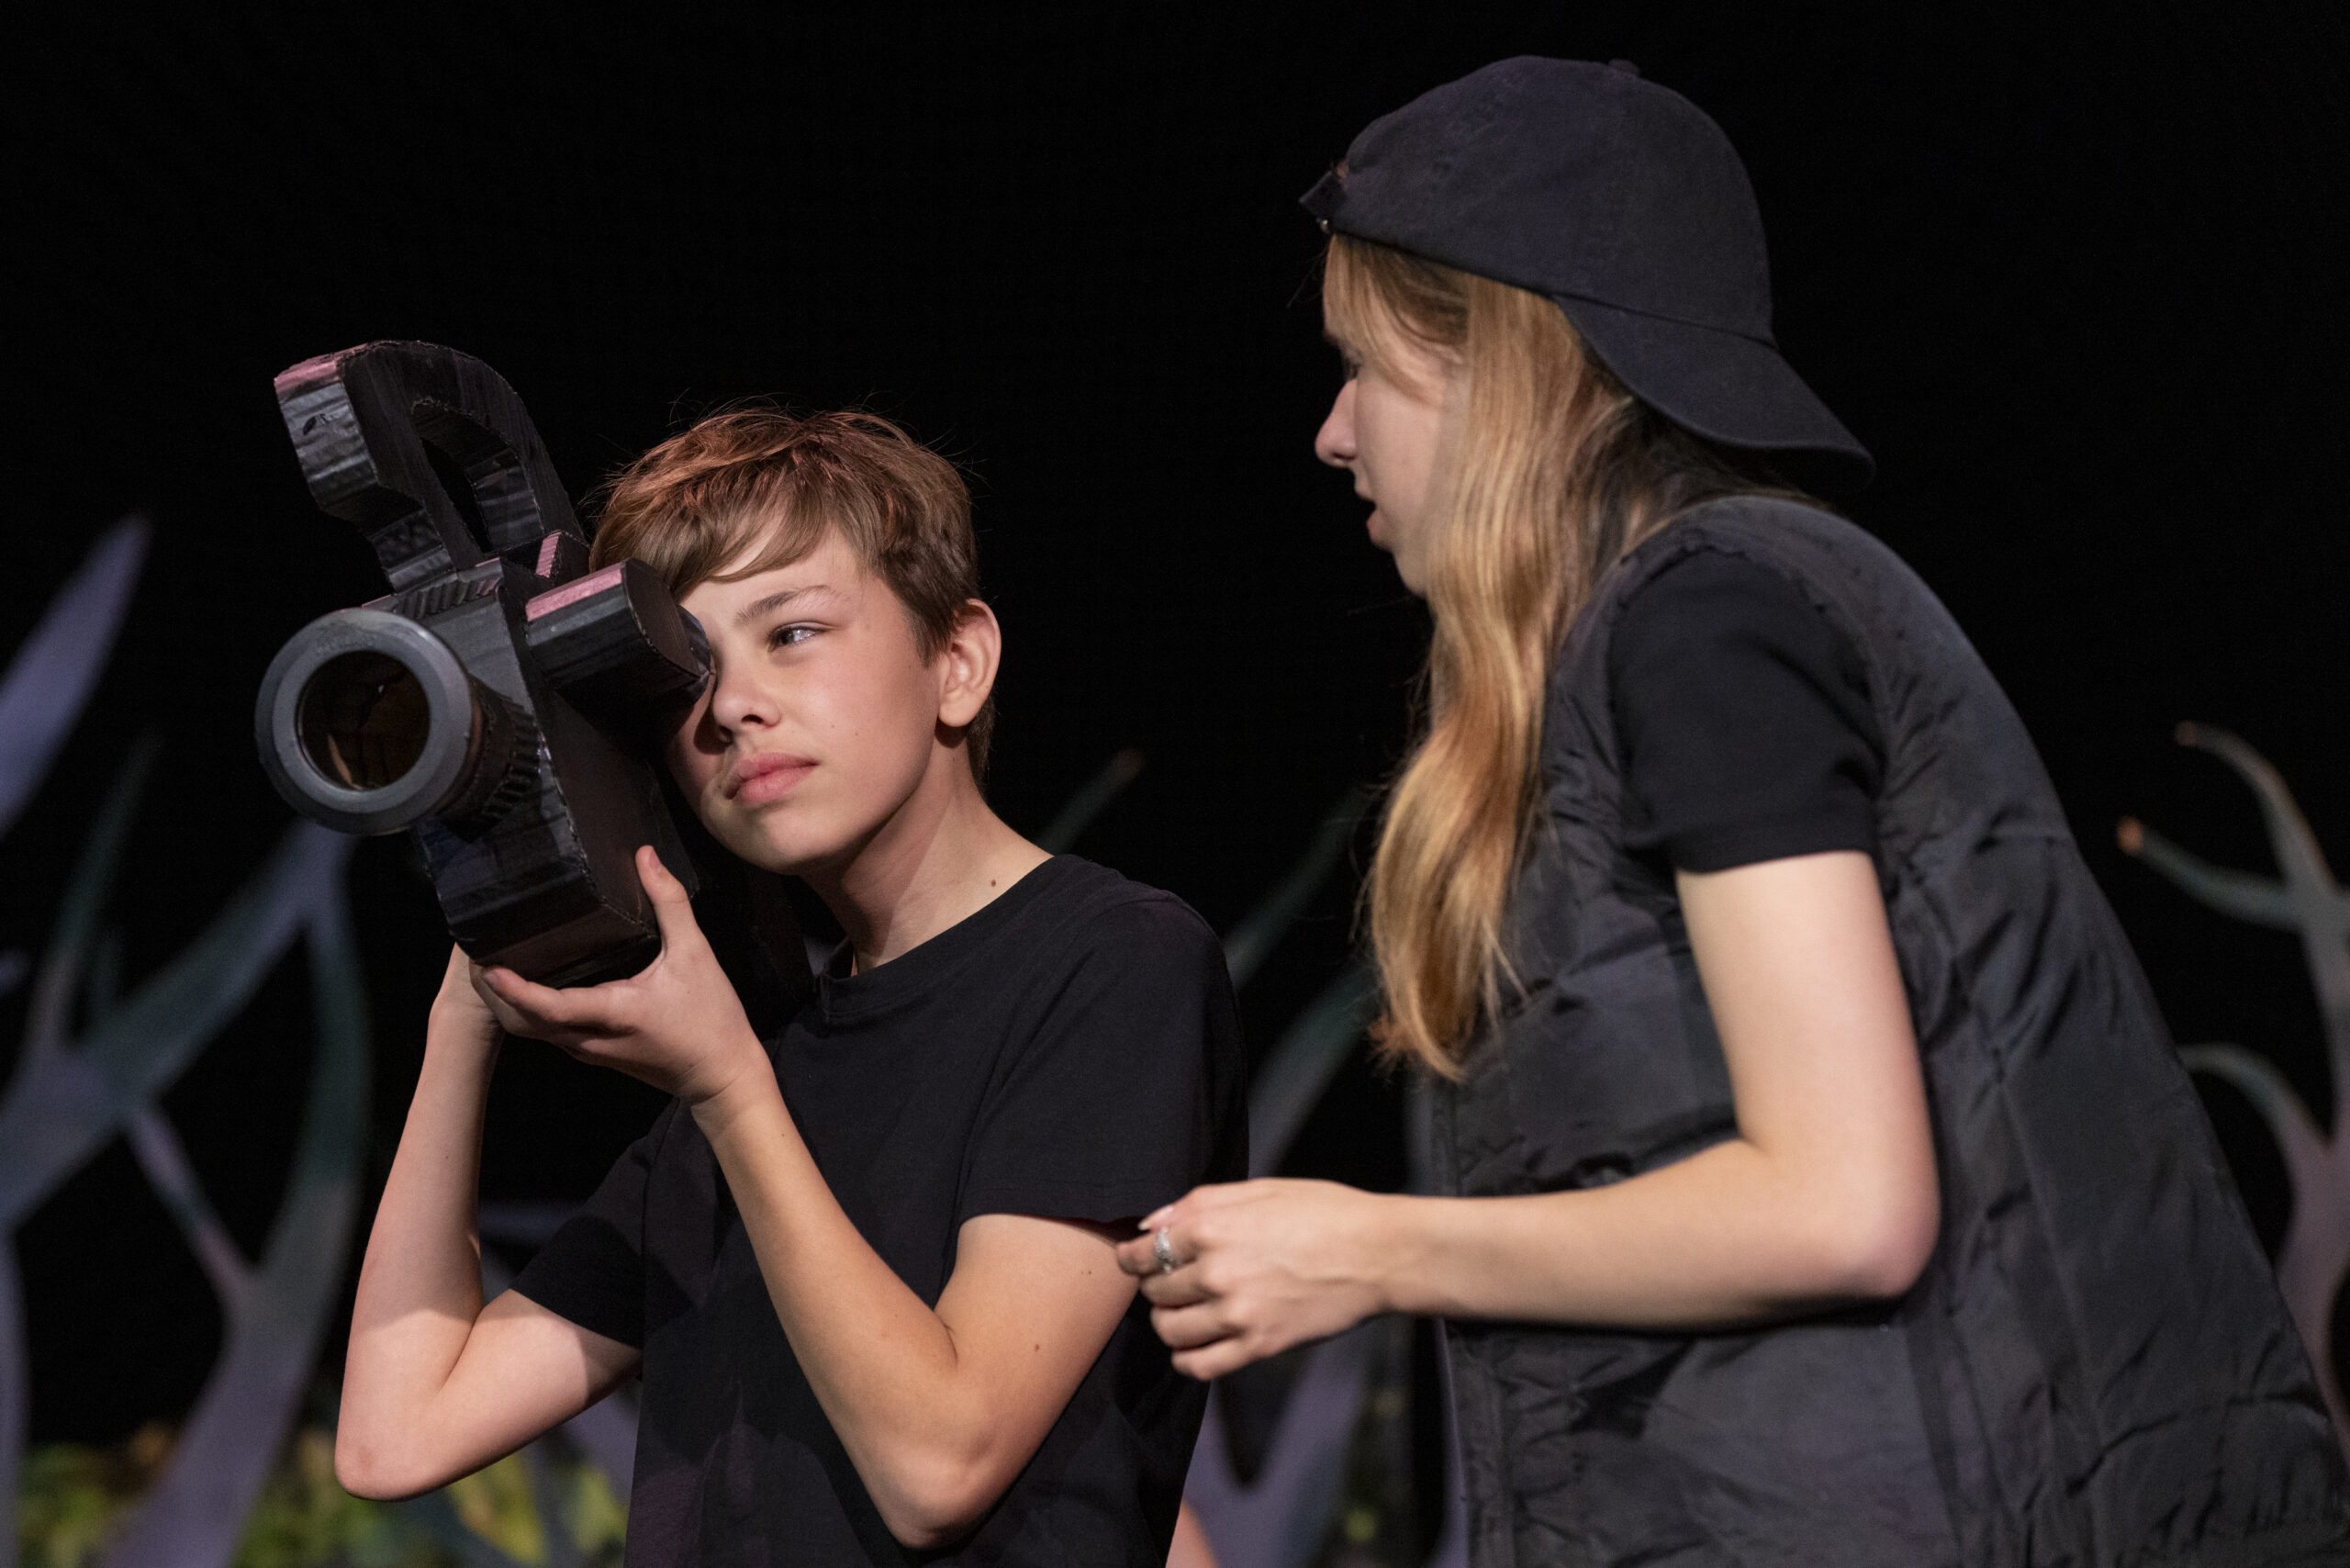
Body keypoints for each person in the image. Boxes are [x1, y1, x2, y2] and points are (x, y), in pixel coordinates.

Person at [1117, 57, 2350, 1566]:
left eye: (1362, 366)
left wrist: (1370, 1246)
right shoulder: (1650, 644)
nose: (1332, 430)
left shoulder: (1706, 620)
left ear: (1502, 364)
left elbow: (1846, 1202)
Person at [334, 409, 1248, 1565]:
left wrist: (728, 1090)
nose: (731, 705)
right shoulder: (763, 1062)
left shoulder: (1110, 961)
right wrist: (464, 1015)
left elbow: (940, 1466)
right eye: (686, 672)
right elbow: (395, 1433)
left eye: (794, 631)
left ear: (956, 662)